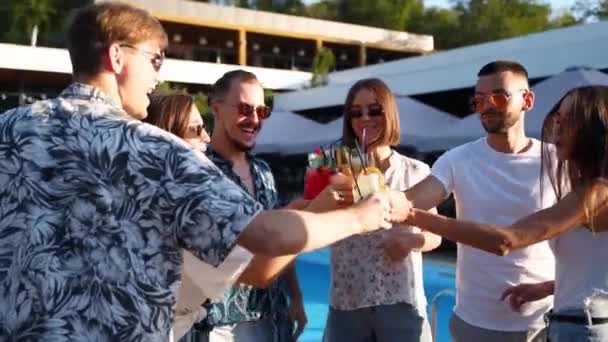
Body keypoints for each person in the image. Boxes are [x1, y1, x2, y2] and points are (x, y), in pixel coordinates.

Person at [0, 3, 407, 340]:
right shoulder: (153, 149)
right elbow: (267, 237)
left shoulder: (9, 130)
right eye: (155, 58)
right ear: (117, 56)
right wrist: (361, 215)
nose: (158, 76)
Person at [401, 85, 608, 342]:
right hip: (576, 323)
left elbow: (505, 239)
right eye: (557, 118)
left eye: (569, 119)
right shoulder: (587, 190)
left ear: (594, 128)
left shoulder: (597, 192)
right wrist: (548, 288)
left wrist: (413, 215)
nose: (557, 127)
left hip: (586, 329)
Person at [395, 61, 556, 341]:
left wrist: (553, 287)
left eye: (497, 96)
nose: (487, 106)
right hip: (474, 322)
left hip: (543, 322)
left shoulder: (556, 161)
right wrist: (371, 197)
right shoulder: (457, 159)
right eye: (479, 100)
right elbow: (414, 198)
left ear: (527, 100)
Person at [178, 70, 305, 342]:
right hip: (217, 322)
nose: (255, 120)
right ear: (217, 109)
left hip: (272, 315)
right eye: (246, 109)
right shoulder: (200, 171)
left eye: (262, 110)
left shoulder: (264, 172)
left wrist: (295, 297)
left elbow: (278, 242)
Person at [322, 78, 441, 342]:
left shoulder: (416, 171)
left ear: (389, 113)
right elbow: (312, 216)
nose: (365, 118)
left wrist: (411, 240)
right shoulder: (334, 167)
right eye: (356, 112)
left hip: (401, 301)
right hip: (347, 302)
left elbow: (435, 234)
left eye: (374, 110)